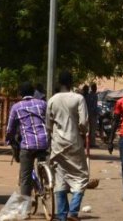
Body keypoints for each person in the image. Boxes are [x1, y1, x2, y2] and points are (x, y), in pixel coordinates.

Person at [47, 71, 89, 221]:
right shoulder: (78, 98)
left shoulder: (52, 100)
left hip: (57, 143)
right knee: (81, 176)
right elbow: (83, 123)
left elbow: (48, 125)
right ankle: (73, 211)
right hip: (74, 142)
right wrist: (83, 132)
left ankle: (62, 215)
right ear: (71, 83)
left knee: (60, 178)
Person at [6, 82, 49, 198]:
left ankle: (26, 207)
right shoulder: (42, 104)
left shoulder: (16, 107)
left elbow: (10, 129)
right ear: (33, 92)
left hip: (28, 145)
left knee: (25, 176)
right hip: (44, 142)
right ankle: (46, 179)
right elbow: (50, 119)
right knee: (42, 157)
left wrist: (9, 140)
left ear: (20, 94)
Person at [84, 84, 99, 148]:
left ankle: (86, 143)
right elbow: (94, 106)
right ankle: (92, 143)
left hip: (87, 114)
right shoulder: (94, 96)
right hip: (92, 115)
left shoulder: (87, 96)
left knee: (88, 129)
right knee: (92, 129)